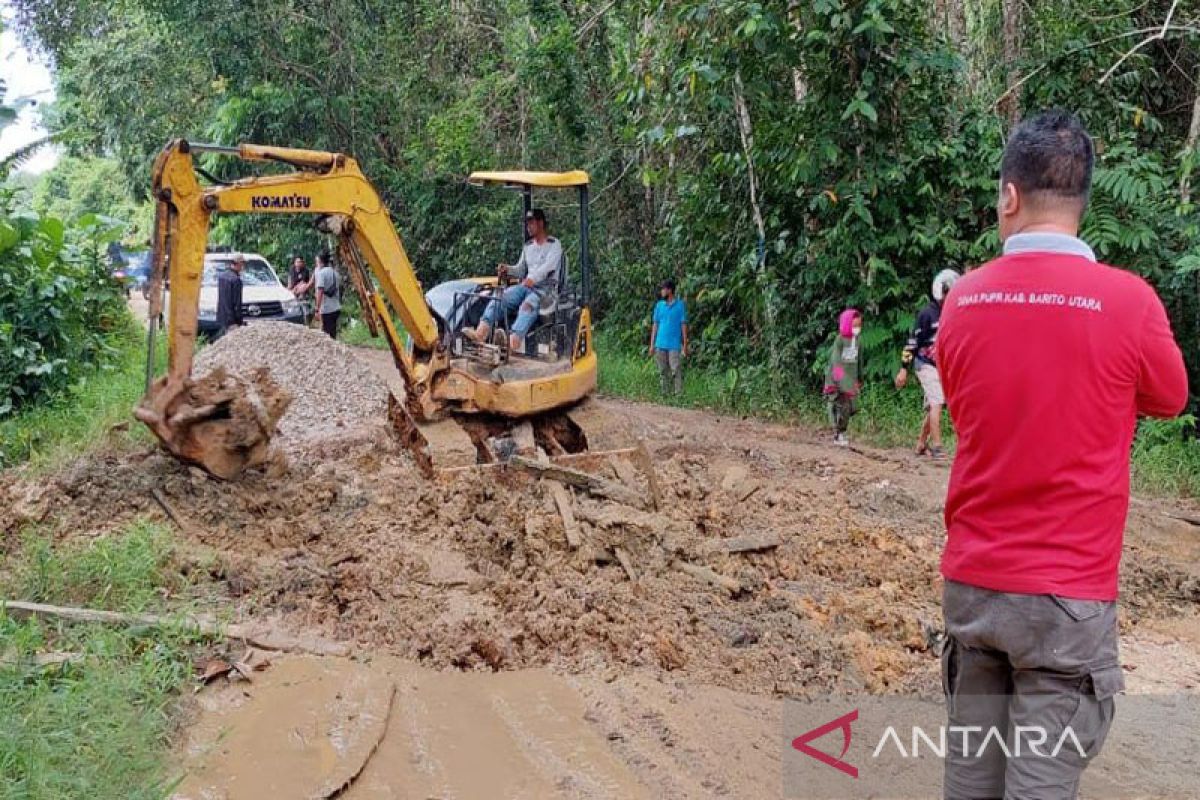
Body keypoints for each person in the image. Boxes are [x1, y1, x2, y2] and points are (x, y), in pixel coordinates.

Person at [937, 110, 1188, 800]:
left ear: (1010, 197)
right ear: (1082, 199)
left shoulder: (962, 301)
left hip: (975, 588)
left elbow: (963, 403)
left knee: (969, 778)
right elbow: (1169, 397)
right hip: (1067, 600)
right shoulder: (1129, 303)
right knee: (1040, 785)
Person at [466, 208, 562, 353]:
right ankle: (480, 334)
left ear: (541, 223)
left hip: (545, 290)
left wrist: (533, 278)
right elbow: (520, 269)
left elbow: (549, 267)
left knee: (527, 306)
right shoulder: (528, 246)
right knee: (500, 297)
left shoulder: (554, 245)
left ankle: (512, 344)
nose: (528, 227)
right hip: (526, 287)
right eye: (527, 224)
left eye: (531, 223)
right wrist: (508, 270)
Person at [894, 269, 959, 459]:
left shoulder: (953, 312)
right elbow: (912, 343)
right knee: (937, 401)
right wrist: (903, 369)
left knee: (934, 405)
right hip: (925, 364)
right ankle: (937, 446)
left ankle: (921, 443)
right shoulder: (927, 314)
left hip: (941, 365)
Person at [823, 308, 862, 446]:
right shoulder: (839, 340)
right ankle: (838, 433)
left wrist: (858, 379)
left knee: (851, 408)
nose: (857, 329)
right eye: (854, 326)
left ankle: (839, 429)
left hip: (850, 380)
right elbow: (836, 362)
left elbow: (859, 361)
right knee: (840, 405)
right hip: (836, 379)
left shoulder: (857, 341)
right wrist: (841, 383)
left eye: (859, 326)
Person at [649, 279, 688, 395]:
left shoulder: (680, 305)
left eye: (663, 289)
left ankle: (678, 394)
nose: (661, 292)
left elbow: (683, 325)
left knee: (675, 369)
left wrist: (685, 345)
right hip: (660, 344)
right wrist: (652, 344)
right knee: (662, 370)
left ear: (669, 290)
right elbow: (655, 325)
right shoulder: (659, 306)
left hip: (674, 344)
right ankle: (664, 393)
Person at [214, 254, 245, 339]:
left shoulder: (222, 277)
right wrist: (239, 321)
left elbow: (222, 299)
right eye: (242, 264)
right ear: (238, 264)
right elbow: (237, 303)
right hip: (232, 320)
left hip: (221, 316)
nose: (243, 267)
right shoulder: (236, 280)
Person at [312, 251, 341, 338]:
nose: (316, 264)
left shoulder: (321, 274)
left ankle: (332, 351)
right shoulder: (335, 273)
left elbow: (320, 292)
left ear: (320, 262)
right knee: (333, 333)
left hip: (327, 309)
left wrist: (317, 309)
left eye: (317, 262)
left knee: (327, 336)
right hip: (336, 308)